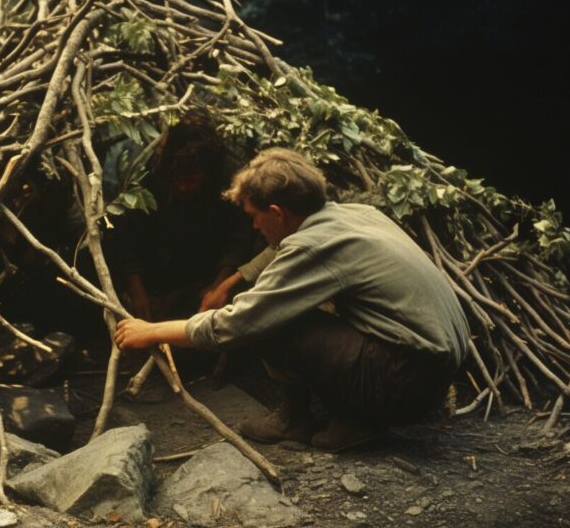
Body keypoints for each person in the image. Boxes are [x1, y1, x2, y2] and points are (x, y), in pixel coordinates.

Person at [114, 147, 469, 450]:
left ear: (277, 213)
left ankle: (298, 420)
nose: (253, 227)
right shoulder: (357, 215)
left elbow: (238, 325)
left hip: (404, 381)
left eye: (255, 217)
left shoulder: (311, 247)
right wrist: (231, 280)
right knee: (303, 306)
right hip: (435, 373)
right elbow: (282, 252)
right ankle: (354, 417)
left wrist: (153, 331)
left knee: (273, 320)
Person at [108, 119, 251, 321]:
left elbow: (239, 239)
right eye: (178, 179)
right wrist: (137, 291)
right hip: (157, 258)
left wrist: (218, 286)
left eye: (192, 180)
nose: (183, 187)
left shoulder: (229, 182)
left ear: (207, 175)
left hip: (204, 265)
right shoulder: (149, 174)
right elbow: (126, 236)